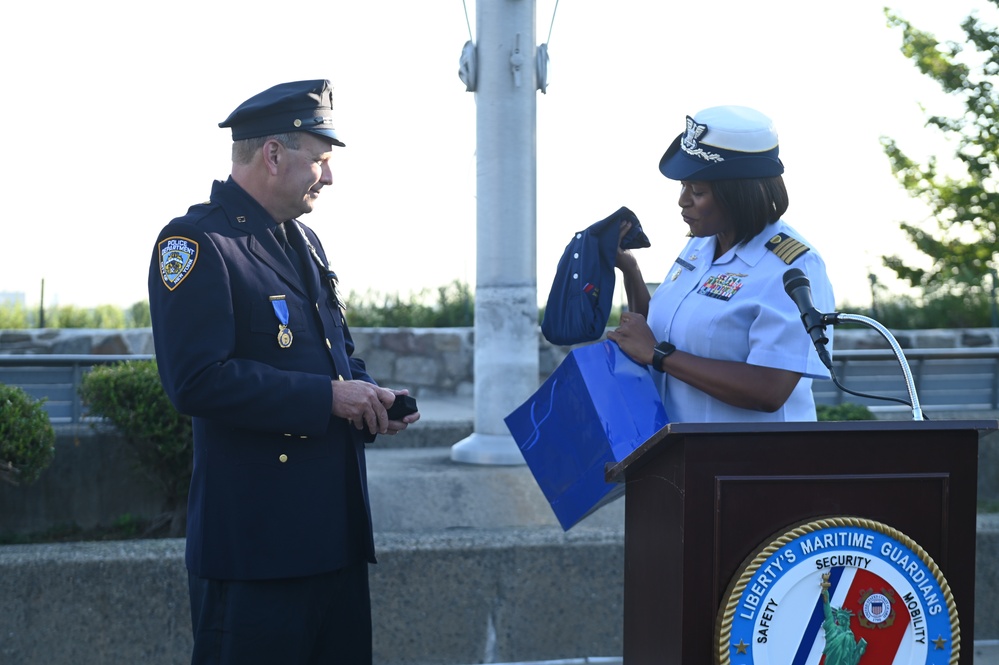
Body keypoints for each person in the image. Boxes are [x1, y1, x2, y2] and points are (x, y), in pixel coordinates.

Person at [148, 79, 419, 664]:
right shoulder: (197, 243)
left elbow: (335, 355)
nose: (330, 176)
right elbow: (195, 380)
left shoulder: (305, 242)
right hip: (257, 555)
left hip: (334, 544)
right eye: (320, 160)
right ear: (273, 154)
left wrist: (369, 397)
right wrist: (327, 398)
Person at [607, 105, 834, 422]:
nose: (683, 200)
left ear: (739, 195)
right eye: (683, 186)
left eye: (697, 191)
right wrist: (630, 270)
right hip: (675, 453)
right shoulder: (700, 245)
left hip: (745, 465)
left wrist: (661, 356)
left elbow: (769, 389)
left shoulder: (793, 266)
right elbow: (653, 333)